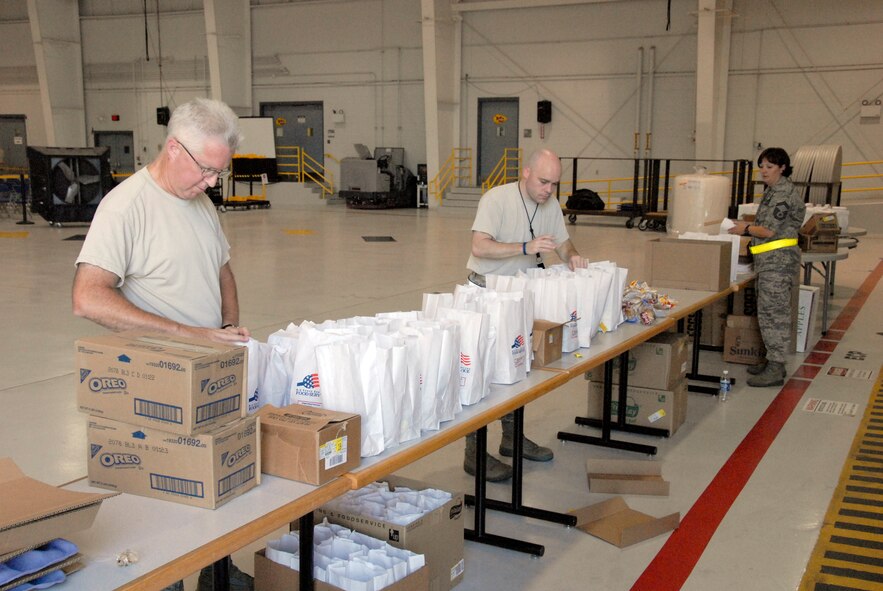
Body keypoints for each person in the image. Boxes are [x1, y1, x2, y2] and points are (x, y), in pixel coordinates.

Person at [72, 97, 253, 591]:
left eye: (220, 173)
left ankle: (221, 570)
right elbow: (88, 299)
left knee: (219, 481)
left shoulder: (198, 202)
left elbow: (222, 268)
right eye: (208, 171)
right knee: (166, 499)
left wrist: (229, 328)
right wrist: (188, 334)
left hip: (210, 372)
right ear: (174, 148)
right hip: (159, 384)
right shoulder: (126, 207)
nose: (213, 183)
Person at [465, 148, 588, 481]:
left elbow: (562, 243)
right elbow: (479, 246)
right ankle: (474, 454)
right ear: (526, 173)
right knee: (484, 373)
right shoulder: (497, 199)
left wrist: (573, 256)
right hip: (487, 293)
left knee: (519, 368)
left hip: (521, 295)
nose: (549, 190)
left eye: (554, 184)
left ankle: (511, 437)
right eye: (544, 181)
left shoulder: (549, 206)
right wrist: (524, 248)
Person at [728, 147, 805, 388]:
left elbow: (769, 230)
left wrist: (745, 229)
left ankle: (776, 366)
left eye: (769, 167)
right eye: (761, 166)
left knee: (774, 315)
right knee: (767, 313)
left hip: (778, 263)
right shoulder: (773, 191)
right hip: (769, 262)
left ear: (782, 168)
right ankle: (772, 360)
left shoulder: (782, 194)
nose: (764, 171)